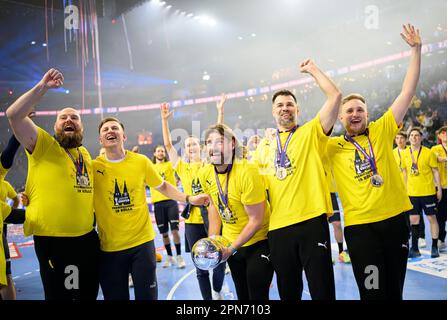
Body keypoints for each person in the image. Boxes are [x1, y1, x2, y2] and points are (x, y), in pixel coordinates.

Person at [326, 24, 421, 299]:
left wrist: (416, 50)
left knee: (394, 292)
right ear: (340, 118)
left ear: (367, 114)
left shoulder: (382, 129)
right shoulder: (332, 146)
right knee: (372, 292)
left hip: (394, 223)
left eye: (360, 110)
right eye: (349, 111)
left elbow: (407, 92)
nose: (355, 114)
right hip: (360, 230)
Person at [6, 68, 100, 300]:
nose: (69, 120)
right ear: (55, 127)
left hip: (87, 240)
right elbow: (14, 114)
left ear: (81, 127)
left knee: (88, 294)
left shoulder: (86, 155)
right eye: (63, 117)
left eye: (74, 117)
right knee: (62, 296)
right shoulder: (44, 146)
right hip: (55, 241)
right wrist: (43, 87)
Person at [93, 117, 209, 300]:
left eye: (114, 127)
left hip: (142, 244)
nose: (110, 131)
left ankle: (176, 256)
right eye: (105, 129)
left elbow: (163, 186)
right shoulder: (93, 167)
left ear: (124, 135)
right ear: (100, 139)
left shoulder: (140, 161)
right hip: (110, 248)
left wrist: (188, 198)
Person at [255, 59, 341, 300]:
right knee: (288, 293)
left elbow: (335, 97)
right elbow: (258, 192)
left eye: (290, 104)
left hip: (312, 221)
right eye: (280, 105)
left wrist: (313, 70)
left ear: (297, 109)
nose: (285, 108)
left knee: (322, 291)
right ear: (273, 111)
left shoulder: (312, 132)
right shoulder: (263, 146)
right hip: (278, 228)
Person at [199, 123, 274, 300]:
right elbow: (215, 209)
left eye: (219, 142)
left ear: (232, 144)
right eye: (209, 142)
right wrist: (213, 240)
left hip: (259, 241)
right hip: (232, 244)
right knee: (242, 295)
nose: (213, 147)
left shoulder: (247, 171)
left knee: (257, 295)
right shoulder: (205, 174)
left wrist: (231, 248)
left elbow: (256, 219)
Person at [160, 102, 226, 300]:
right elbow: (169, 145)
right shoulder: (181, 167)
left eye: (194, 144)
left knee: (220, 260)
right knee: (200, 267)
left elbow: (218, 135)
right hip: (192, 223)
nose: (191, 147)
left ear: (201, 147)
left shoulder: (208, 163)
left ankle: (217, 290)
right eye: (188, 145)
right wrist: (164, 120)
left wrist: (220, 111)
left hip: (213, 219)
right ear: (185, 149)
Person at [401, 127, 441, 258]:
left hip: (427, 192)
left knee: (432, 219)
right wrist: (404, 190)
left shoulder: (428, 153)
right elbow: (405, 172)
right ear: (409, 138)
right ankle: (414, 248)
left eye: (417, 135)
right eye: (411, 135)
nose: (414, 137)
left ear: (421, 137)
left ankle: (434, 247)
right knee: (414, 220)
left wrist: (439, 189)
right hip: (412, 193)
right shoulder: (405, 153)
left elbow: (435, 171)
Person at [151, 145, 186, 268]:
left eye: (162, 151)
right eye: (158, 151)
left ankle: (179, 257)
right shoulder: (150, 167)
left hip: (171, 201)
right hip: (158, 204)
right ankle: (170, 257)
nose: (160, 152)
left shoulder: (170, 165)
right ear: (154, 153)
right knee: (164, 233)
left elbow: (177, 159)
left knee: (175, 231)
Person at [0, 134, 21, 300]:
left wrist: (17, 132)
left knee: (5, 279)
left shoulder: (4, 183)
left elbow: (7, 156)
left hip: (2, 226)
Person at [432, 126, 447, 250]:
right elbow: (437, 158)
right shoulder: (435, 148)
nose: (445, 134)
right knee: (440, 215)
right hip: (442, 186)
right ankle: (441, 239)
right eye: (443, 133)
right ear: (440, 136)